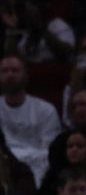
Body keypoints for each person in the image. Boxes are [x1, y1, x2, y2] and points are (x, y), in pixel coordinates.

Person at [0, 55, 61, 187]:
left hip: (36, 169)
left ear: (25, 75)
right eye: (5, 71)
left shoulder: (45, 110)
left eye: (15, 70)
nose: (10, 75)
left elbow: (50, 151)